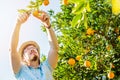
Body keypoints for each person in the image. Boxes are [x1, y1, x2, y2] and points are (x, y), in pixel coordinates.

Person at [10, 11, 59, 80]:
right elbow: (13, 50)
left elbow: (55, 48)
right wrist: (18, 24)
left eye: (34, 48)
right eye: (27, 49)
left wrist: (47, 25)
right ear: (23, 58)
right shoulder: (20, 70)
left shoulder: (47, 66)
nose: (32, 49)